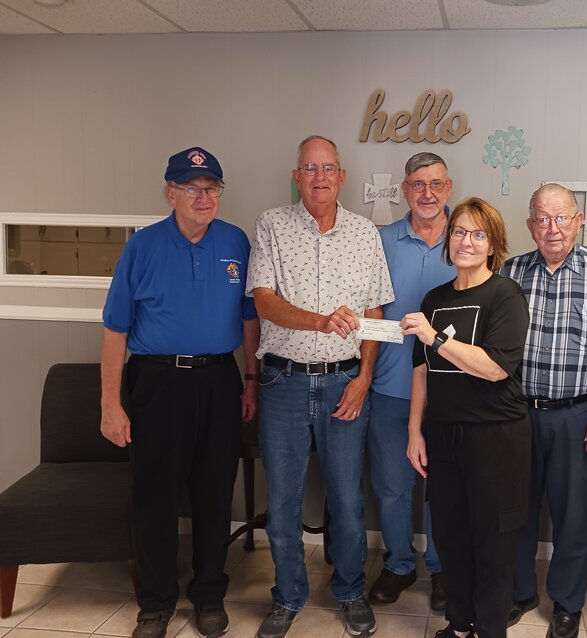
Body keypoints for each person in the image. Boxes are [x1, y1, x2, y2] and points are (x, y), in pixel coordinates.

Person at [100, 147, 260, 638]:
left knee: (215, 494)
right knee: (155, 498)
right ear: (171, 194)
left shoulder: (236, 241)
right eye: (192, 188)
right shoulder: (142, 247)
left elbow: (250, 317)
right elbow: (115, 329)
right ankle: (155, 603)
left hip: (218, 380)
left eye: (212, 187)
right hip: (157, 383)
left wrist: (250, 379)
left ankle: (210, 594)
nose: (204, 196)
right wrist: (110, 403)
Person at [247, 135, 394, 638]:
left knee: (349, 501)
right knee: (283, 502)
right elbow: (263, 301)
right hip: (283, 382)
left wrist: (364, 378)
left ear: (342, 176)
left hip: (343, 383)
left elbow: (376, 313)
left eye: (328, 168)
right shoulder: (271, 225)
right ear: (297, 176)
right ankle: (287, 597)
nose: (319, 177)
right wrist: (319, 322)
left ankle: (350, 591)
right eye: (309, 169)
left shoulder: (364, 233)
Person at [501, 183, 587, 638]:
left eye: (561, 218)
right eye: (542, 219)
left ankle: (567, 603)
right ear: (530, 224)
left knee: (573, 515)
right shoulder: (510, 271)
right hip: (515, 413)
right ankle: (519, 592)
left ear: (579, 219)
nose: (552, 229)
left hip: (578, 414)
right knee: (515, 509)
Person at [403, 197, 531, 638]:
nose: (467, 242)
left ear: (494, 245)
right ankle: (459, 627)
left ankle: (490, 630)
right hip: (443, 434)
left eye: (479, 234)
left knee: (492, 544)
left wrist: (435, 337)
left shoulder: (505, 294)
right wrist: (414, 431)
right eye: (459, 231)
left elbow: (496, 367)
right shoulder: (434, 299)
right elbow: (420, 371)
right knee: (451, 539)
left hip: (496, 437)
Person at [367, 152, 455, 610]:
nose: (427, 192)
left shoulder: (466, 240)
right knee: (392, 485)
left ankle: (442, 569)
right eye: (418, 184)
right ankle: (399, 563)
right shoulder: (379, 240)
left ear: (449, 187)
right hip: (389, 387)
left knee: (442, 487)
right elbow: (368, 313)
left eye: (435, 184)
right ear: (405, 190)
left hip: (449, 395)